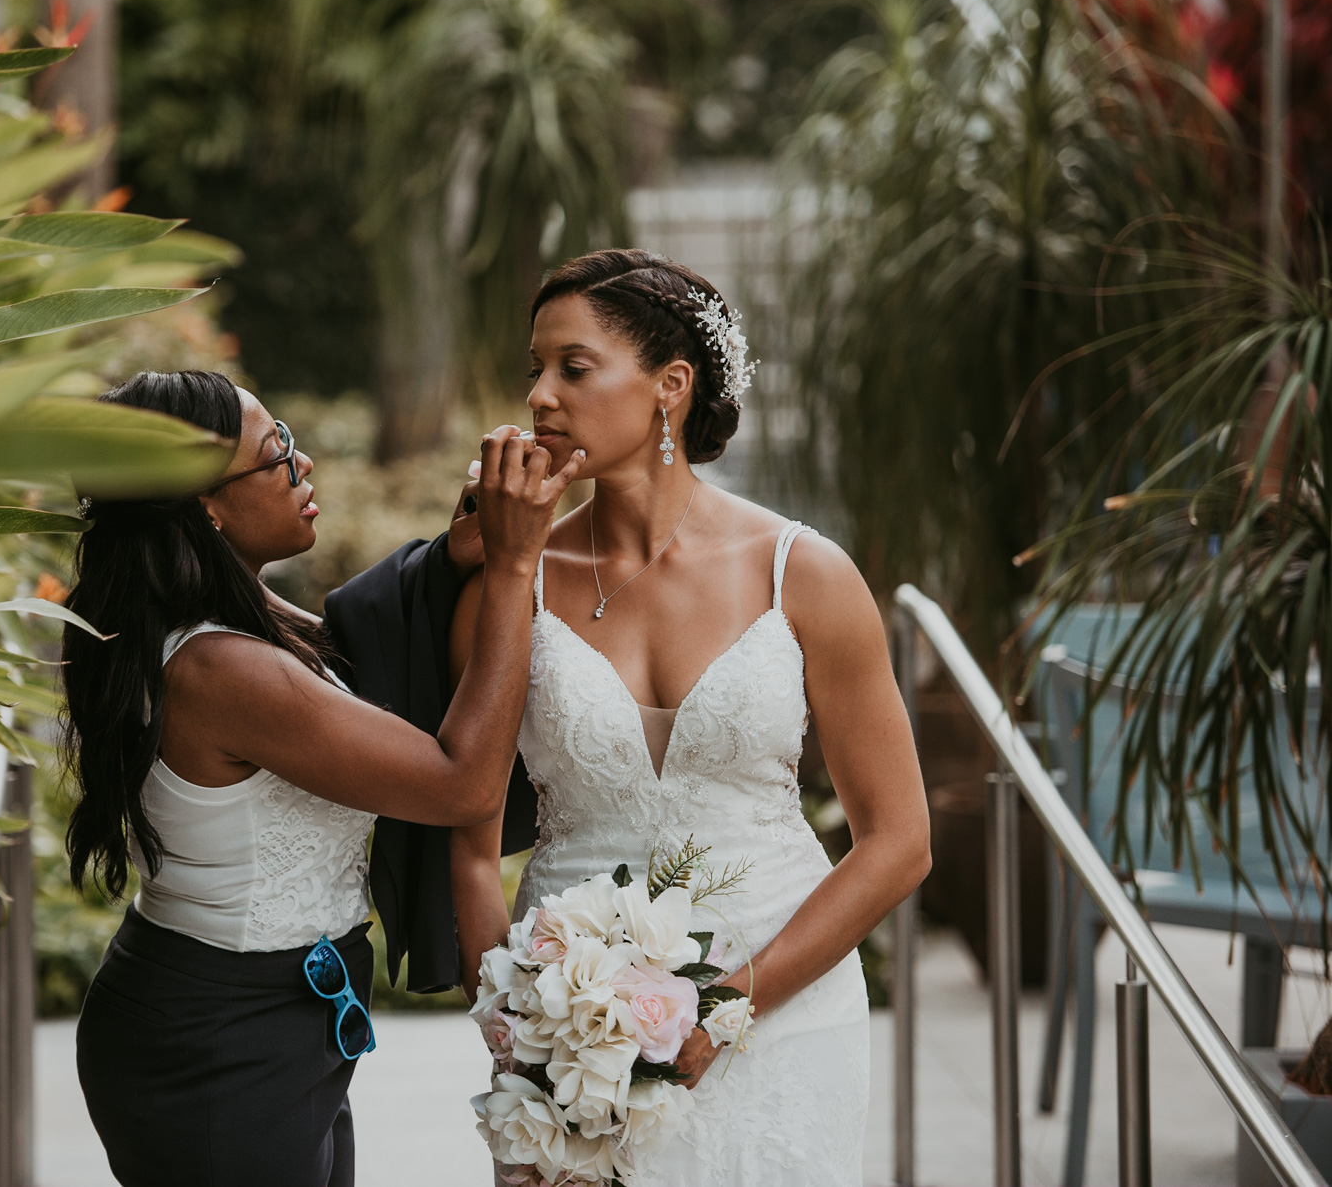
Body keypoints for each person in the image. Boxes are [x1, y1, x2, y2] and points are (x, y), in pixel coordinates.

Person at [449, 250, 931, 1184]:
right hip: (572, 1040)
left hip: (784, 1017)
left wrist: (729, 1009)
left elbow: (899, 840)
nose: (541, 396)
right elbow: (468, 845)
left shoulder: (805, 572)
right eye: (534, 371)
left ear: (670, 386)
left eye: (573, 368)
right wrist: (516, 1040)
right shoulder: (512, 585)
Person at [62, 369, 582, 1187]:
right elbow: (461, 785)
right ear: (205, 505)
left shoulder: (217, 617)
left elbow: (345, 650)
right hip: (219, 1046)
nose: (307, 470)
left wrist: (452, 560)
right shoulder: (221, 670)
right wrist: (514, 568)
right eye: (278, 457)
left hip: (258, 1020)